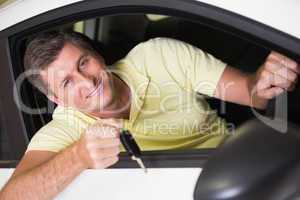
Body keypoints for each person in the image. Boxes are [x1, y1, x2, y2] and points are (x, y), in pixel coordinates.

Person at [0, 30, 299, 199]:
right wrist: (77, 156)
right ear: (56, 99)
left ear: (97, 55)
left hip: (239, 179)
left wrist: (263, 81)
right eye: (66, 82)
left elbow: (250, 92)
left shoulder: (158, 56)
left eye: (83, 64)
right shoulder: (67, 127)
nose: (87, 82)